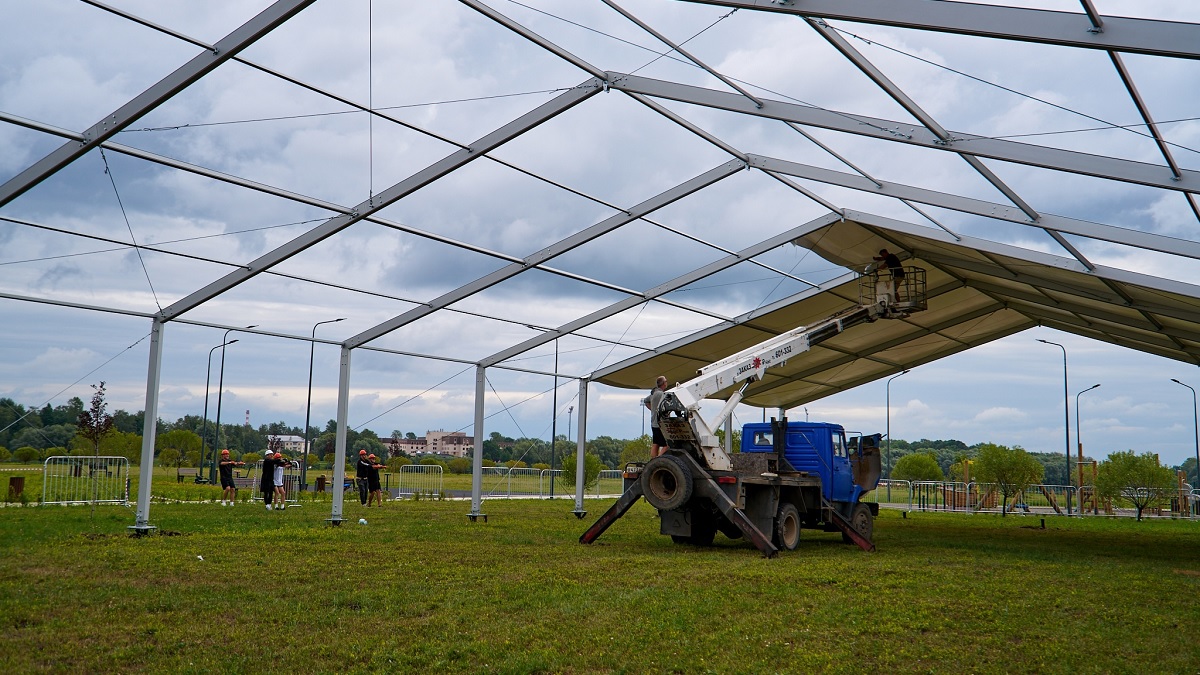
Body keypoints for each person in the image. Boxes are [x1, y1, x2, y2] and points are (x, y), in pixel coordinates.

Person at [646, 375, 668, 459]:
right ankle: (658, 460)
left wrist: (652, 409)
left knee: (656, 444)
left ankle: (652, 460)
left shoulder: (654, 393)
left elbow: (646, 401)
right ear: (663, 383)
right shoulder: (661, 394)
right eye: (665, 381)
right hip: (660, 423)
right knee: (667, 445)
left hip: (653, 423)